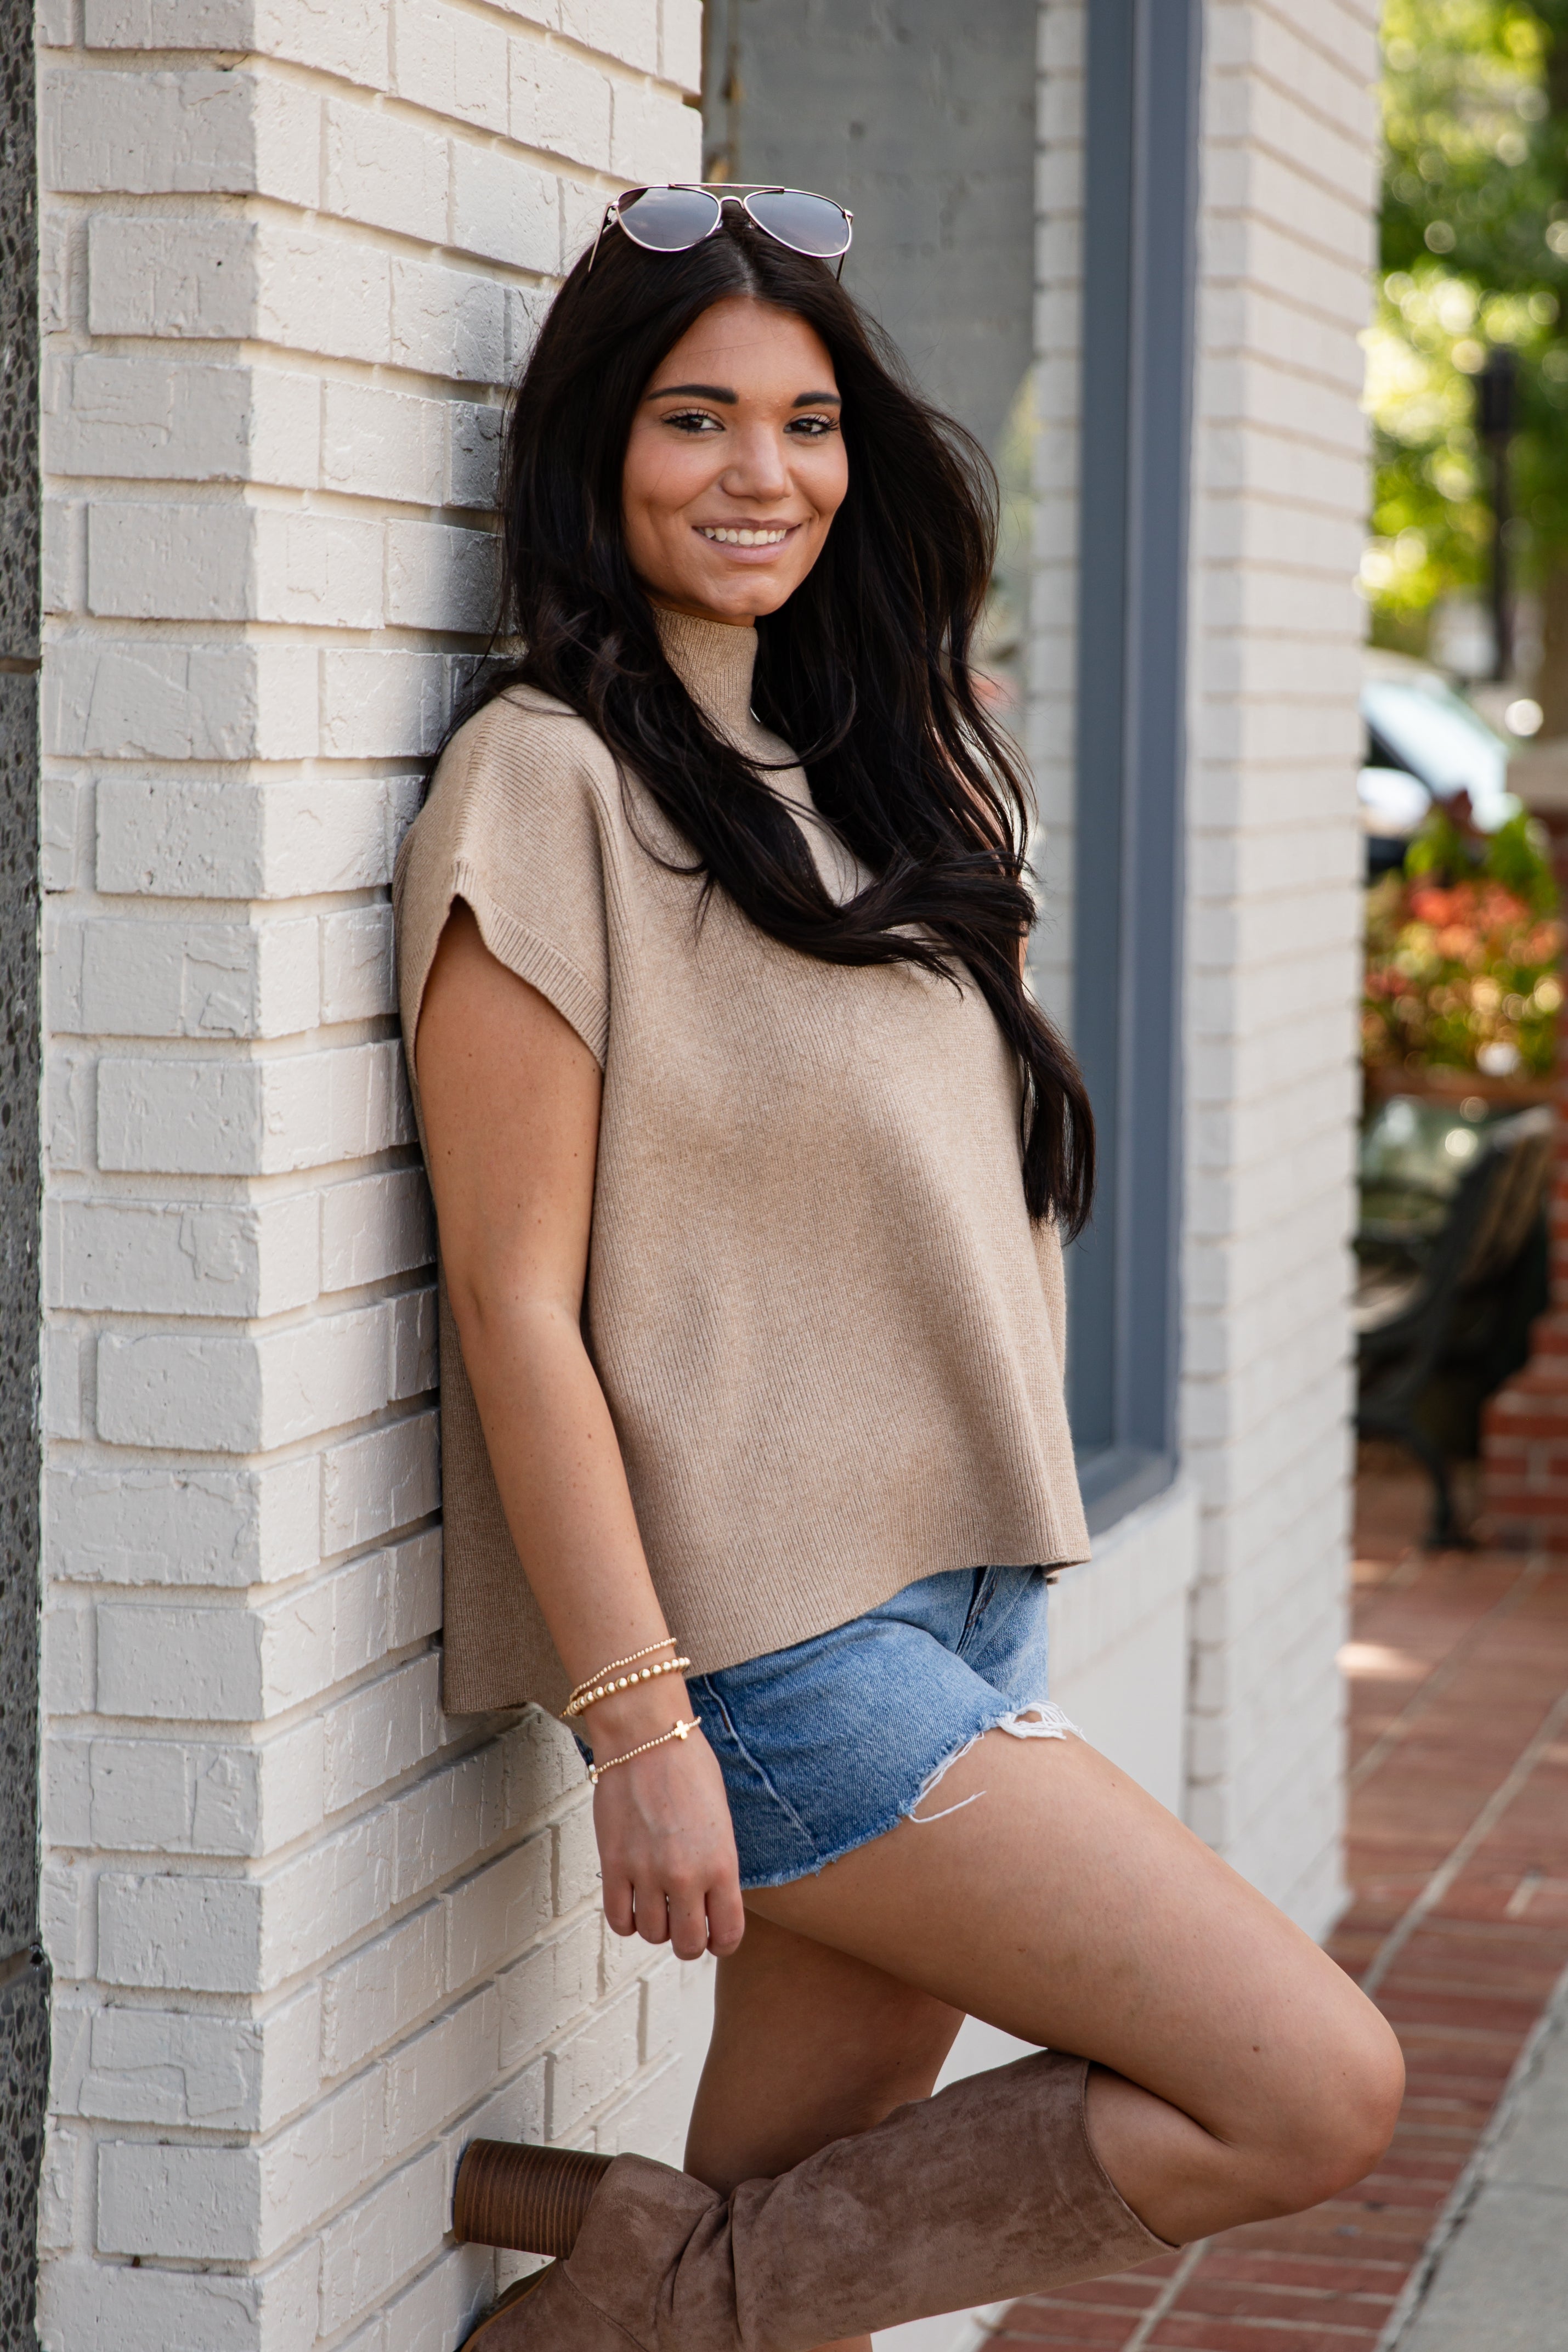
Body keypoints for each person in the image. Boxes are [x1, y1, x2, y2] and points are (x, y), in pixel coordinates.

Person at [395, 185, 1404, 2352]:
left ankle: (620, 2278)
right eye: (694, 419)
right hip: (771, 1651)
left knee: (792, 2279)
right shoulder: (540, 784)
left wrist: (947, 769)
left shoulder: (868, 773)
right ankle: (607, 2291)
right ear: (594, 451)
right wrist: (641, 1725)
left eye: (808, 421)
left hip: (957, 1594)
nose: (762, 473)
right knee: (1311, 2083)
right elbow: (514, 1304)